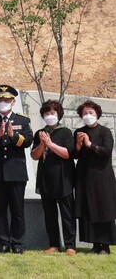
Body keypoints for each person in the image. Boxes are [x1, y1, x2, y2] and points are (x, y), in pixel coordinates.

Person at [0, 84, 33, 254]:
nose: (3, 102)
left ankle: (17, 243)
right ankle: (3, 242)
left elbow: (27, 142)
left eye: (6, 99)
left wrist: (13, 136)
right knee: (0, 210)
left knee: (17, 210)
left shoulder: (22, 120)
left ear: (13, 101)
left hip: (16, 172)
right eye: (0, 99)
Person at [31, 99, 75, 255]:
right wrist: (42, 144)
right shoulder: (40, 133)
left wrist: (50, 144)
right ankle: (54, 244)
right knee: (50, 214)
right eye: (47, 113)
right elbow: (34, 156)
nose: (49, 116)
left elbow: (68, 154)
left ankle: (70, 245)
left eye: (53, 113)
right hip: (46, 178)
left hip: (63, 178)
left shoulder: (66, 132)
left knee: (67, 214)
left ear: (58, 114)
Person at [73, 100, 116, 254]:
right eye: (85, 113)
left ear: (97, 114)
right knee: (88, 209)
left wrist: (90, 144)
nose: (88, 115)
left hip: (101, 177)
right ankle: (94, 244)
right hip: (84, 177)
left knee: (103, 208)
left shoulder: (105, 132)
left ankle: (105, 245)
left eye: (91, 113)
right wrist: (78, 144)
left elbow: (106, 151)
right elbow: (76, 154)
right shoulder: (79, 131)